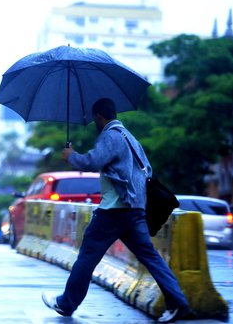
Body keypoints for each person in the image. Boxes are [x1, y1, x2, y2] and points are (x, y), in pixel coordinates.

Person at [41, 98, 189, 323]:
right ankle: (178, 302)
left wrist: (73, 157)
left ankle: (66, 304)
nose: (94, 122)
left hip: (113, 211)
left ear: (100, 116)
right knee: (150, 257)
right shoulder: (130, 137)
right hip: (135, 210)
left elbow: (93, 161)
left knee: (87, 257)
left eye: (95, 118)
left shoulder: (110, 135)